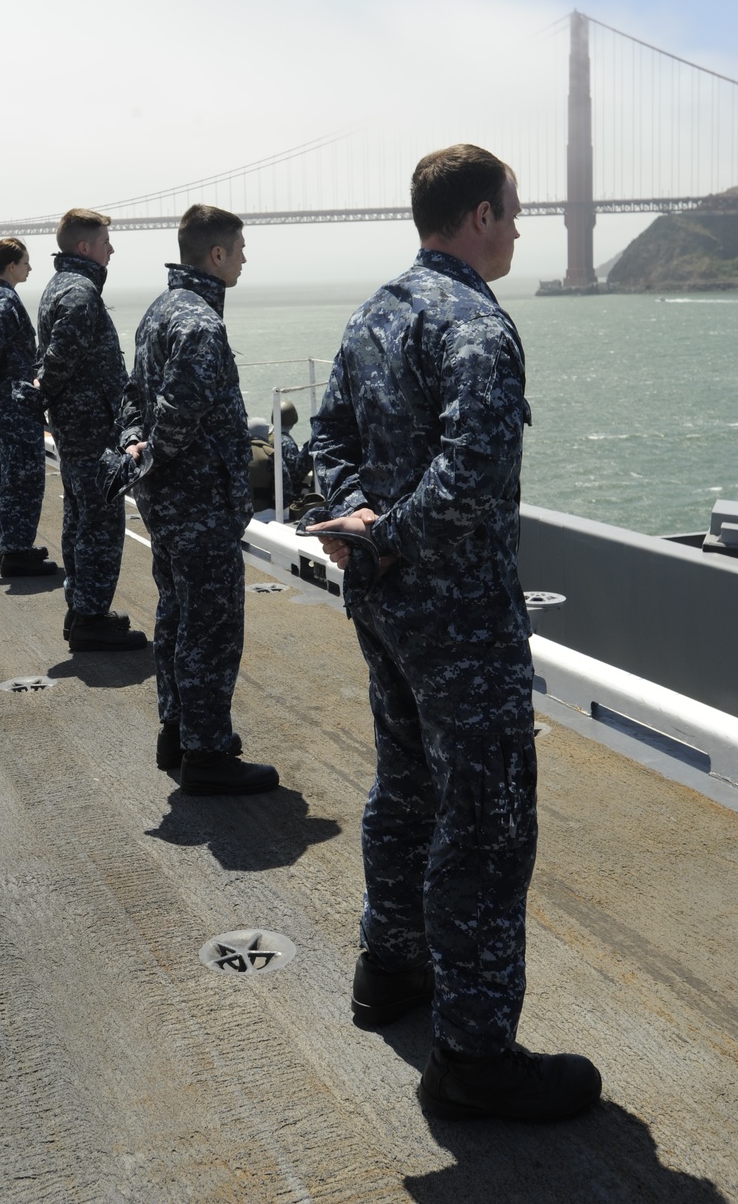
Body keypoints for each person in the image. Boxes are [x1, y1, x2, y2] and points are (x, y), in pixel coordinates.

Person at [308, 144, 601, 1123]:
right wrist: (389, 538)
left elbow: (327, 438)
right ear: (478, 216)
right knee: (483, 827)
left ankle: (389, 971)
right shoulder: (477, 325)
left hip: (385, 609)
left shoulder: (376, 312)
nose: (519, 231)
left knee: (407, 792)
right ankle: (476, 1055)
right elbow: (472, 477)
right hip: (457, 618)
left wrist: (357, 524)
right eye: (514, 215)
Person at [118, 204, 278, 794]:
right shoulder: (202, 325)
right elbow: (176, 417)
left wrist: (136, 451)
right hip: (200, 505)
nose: (243, 257)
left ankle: (179, 731)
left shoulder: (160, 311)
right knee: (211, 629)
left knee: (177, 616)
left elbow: (132, 397)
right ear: (216, 255)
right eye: (239, 248)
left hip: (168, 503)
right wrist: (157, 448)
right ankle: (207, 756)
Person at [37, 209, 145, 651]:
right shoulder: (81, 293)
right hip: (91, 426)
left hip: (74, 425)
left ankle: (82, 607)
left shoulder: (59, 286)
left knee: (79, 515)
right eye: (105, 242)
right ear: (85, 248)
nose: (111, 249)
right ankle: (91, 619)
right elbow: (59, 359)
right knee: (100, 519)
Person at [0, 238, 56, 579]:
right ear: (12, 266)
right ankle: (16, 550)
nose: (30, 268)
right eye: (25, 262)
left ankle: (12, 543)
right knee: (23, 477)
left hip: (6, 401)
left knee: (10, 474)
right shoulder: (5, 300)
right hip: (12, 402)